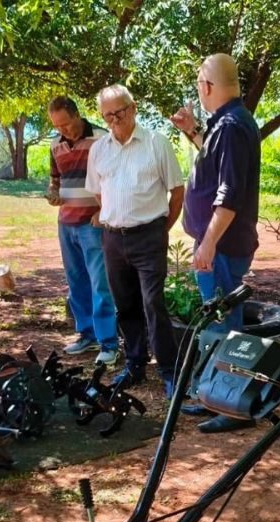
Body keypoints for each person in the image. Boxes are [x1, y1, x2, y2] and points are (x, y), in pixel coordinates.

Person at [170, 53, 262, 434]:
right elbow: (215, 160)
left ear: (206, 86)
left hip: (222, 246)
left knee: (227, 326)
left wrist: (208, 243)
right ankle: (215, 397)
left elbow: (229, 193)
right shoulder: (229, 123)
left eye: (198, 85)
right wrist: (193, 131)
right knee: (219, 321)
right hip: (218, 244)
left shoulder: (232, 126)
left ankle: (234, 406)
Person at [85, 84, 185, 397]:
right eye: (108, 115)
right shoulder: (99, 149)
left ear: (134, 108)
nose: (114, 119)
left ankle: (169, 370)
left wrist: (161, 229)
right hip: (113, 239)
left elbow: (177, 191)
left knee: (153, 303)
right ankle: (135, 364)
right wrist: (115, 216)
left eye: (120, 112)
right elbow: (99, 193)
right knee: (125, 304)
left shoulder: (156, 143)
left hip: (149, 236)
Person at [46, 96, 119, 367]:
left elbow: (114, 181)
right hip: (66, 223)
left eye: (65, 124)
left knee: (100, 283)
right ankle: (87, 334)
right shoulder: (55, 145)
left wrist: (103, 212)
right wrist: (53, 193)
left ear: (77, 115)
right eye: (57, 126)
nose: (63, 130)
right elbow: (55, 180)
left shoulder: (102, 139)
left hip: (93, 224)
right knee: (76, 281)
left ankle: (108, 342)